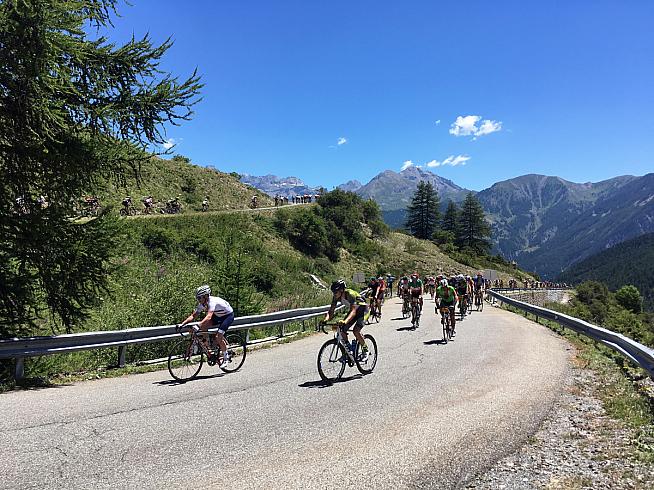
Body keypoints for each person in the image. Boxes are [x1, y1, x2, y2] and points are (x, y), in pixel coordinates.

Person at [178, 285, 235, 368]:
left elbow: (208, 317)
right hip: (218, 315)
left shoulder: (212, 302)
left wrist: (198, 325)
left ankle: (225, 359)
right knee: (203, 327)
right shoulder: (203, 304)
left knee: (218, 336)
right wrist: (182, 324)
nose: (198, 300)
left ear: (205, 296)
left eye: (199, 298)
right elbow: (193, 316)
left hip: (227, 316)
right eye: (197, 298)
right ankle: (208, 347)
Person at [322, 280, 369, 360]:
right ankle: (349, 350)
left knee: (356, 331)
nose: (334, 294)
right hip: (353, 311)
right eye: (333, 292)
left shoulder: (350, 294)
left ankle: (365, 350)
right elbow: (331, 311)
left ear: (342, 290)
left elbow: (353, 311)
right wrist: (325, 320)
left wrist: (345, 321)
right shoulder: (336, 297)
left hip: (363, 310)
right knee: (342, 330)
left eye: (336, 292)